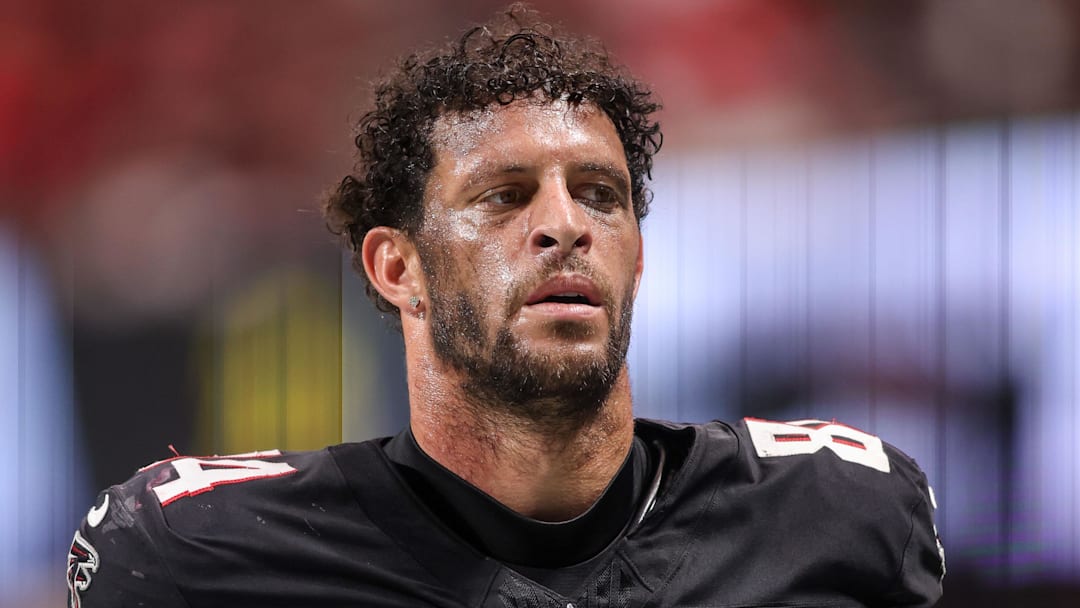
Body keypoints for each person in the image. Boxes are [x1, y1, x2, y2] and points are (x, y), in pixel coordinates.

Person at [68, 6, 945, 607]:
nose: (564, 225)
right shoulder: (203, 553)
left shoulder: (838, 515)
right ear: (396, 267)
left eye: (600, 194)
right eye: (503, 195)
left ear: (638, 257)